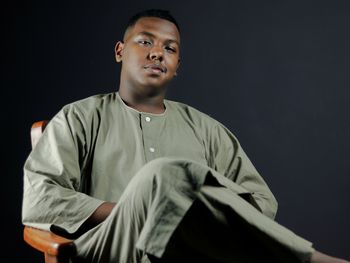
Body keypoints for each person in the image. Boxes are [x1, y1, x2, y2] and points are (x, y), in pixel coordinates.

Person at [22, 9, 349, 263]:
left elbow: (261, 203)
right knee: (163, 175)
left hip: (191, 254)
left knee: (175, 187)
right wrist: (137, 208)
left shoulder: (208, 130)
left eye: (169, 48)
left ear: (177, 64)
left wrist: (190, 215)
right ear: (120, 50)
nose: (157, 53)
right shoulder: (78, 117)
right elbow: (40, 197)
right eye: (145, 41)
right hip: (108, 248)